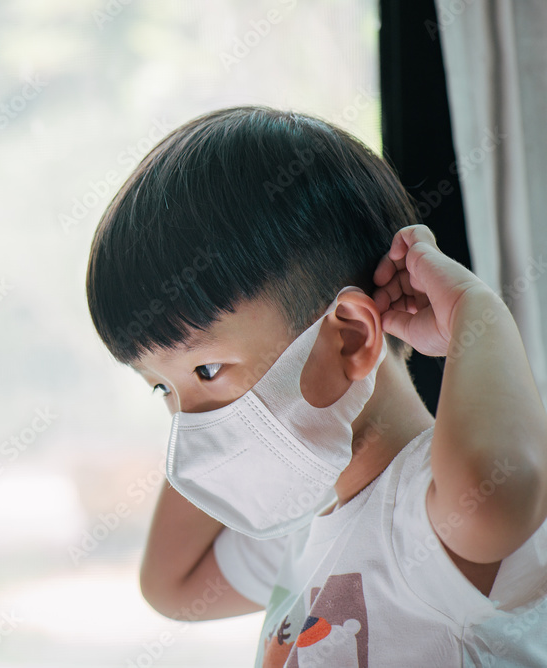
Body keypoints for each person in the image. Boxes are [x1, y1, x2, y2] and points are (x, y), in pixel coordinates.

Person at [85, 106, 547, 666]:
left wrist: (478, 312)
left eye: (207, 370)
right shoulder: (301, 525)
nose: (189, 421)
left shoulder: (421, 513)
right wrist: (203, 417)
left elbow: (496, 499)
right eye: (160, 389)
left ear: (350, 338)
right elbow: (171, 585)